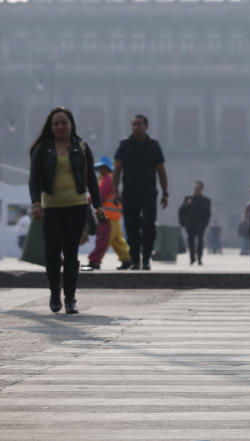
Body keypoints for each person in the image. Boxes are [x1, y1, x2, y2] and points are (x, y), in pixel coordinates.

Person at [28, 107, 105, 314]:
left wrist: (98, 205)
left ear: (71, 124)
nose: (60, 126)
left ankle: (70, 298)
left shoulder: (81, 146)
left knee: (71, 254)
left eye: (64, 122)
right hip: (51, 208)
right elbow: (34, 180)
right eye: (56, 123)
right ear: (50, 127)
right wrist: (36, 203)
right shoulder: (43, 149)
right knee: (52, 253)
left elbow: (91, 179)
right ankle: (55, 293)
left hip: (77, 206)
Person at [113, 114, 168, 270]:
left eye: (140, 124)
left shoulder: (154, 146)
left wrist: (165, 193)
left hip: (149, 192)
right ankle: (136, 260)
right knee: (131, 227)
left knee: (149, 225)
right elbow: (117, 170)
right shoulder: (124, 145)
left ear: (146, 126)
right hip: (130, 192)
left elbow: (161, 171)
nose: (137, 126)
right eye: (134, 124)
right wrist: (116, 192)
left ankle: (147, 259)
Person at [82, 156, 133, 271]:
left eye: (102, 168)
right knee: (117, 241)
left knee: (102, 239)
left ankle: (94, 261)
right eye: (99, 168)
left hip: (107, 217)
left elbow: (99, 196)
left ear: (106, 168)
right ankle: (128, 259)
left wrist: (85, 200)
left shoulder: (107, 180)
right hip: (112, 216)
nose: (100, 170)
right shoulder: (107, 179)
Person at [178, 181, 212, 265]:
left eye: (198, 188)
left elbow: (208, 213)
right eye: (195, 188)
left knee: (200, 241)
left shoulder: (206, 200)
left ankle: (199, 258)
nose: (196, 189)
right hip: (190, 224)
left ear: (201, 189)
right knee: (191, 242)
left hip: (201, 225)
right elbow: (181, 210)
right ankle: (192, 258)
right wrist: (187, 204)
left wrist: (205, 223)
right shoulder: (188, 198)